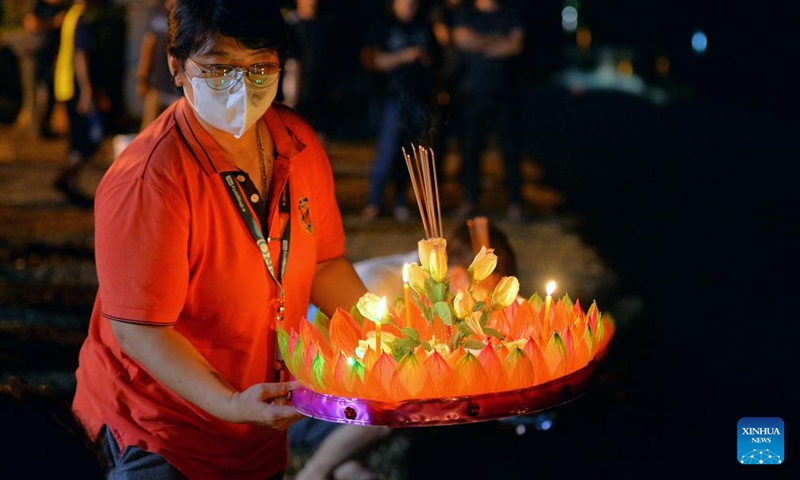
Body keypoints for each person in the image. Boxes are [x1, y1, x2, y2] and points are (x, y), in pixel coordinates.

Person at [71, 1, 369, 479]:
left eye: (259, 67)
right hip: (159, 435)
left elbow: (326, 265)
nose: (240, 86)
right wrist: (230, 403)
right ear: (177, 67)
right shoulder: (152, 178)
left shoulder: (298, 142)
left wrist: (393, 339)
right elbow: (141, 329)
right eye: (218, 68)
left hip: (257, 426)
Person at [290, 217, 517, 480]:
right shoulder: (379, 289)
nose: (484, 311)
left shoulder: (425, 281)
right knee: (402, 401)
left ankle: (345, 463)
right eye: (484, 299)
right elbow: (373, 379)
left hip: (340, 400)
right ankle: (313, 472)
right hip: (304, 406)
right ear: (456, 277)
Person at [360, 0, 436, 223]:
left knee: (409, 154)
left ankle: (400, 202)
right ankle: (374, 202)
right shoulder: (383, 26)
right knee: (387, 151)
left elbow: (437, 58)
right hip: (391, 98)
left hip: (419, 99)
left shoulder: (424, 26)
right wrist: (406, 56)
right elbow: (373, 60)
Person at [451, 0, 526, 222]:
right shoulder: (466, 13)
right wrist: (498, 41)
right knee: (471, 149)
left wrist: (480, 42)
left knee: (510, 150)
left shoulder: (511, 12)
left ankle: (515, 202)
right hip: (472, 92)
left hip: (505, 92)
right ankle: (470, 199)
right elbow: (462, 40)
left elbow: (516, 45)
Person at [52, 0, 102, 208]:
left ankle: (71, 185)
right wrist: (87, 91)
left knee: (75, 140)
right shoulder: (80, 19)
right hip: (75, 88)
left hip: (65, 85)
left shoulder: (70, 15)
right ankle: (64, 179)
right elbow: (80, 55)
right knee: (86, 142)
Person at [281, 0, 330, 144]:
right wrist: (291, 98)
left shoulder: (324, 26)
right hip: (296, 98)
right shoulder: (290, 26)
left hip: (318, 97)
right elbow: (292, 66)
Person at [23, 0, 67, 139]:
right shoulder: (37, 5)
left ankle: (45, 126)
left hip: (51, 56)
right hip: (34, 55)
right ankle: (35, 129)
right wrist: (53, 23)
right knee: (33, 92)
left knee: (52, 91)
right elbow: (32, 24)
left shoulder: (61, 8)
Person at [135, 0, 180, 130]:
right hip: (157, 84)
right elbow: (148, 45)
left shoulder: (188, 12)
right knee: (148, 133)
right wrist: (142, 77)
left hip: (180, 88)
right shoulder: (157, 12)